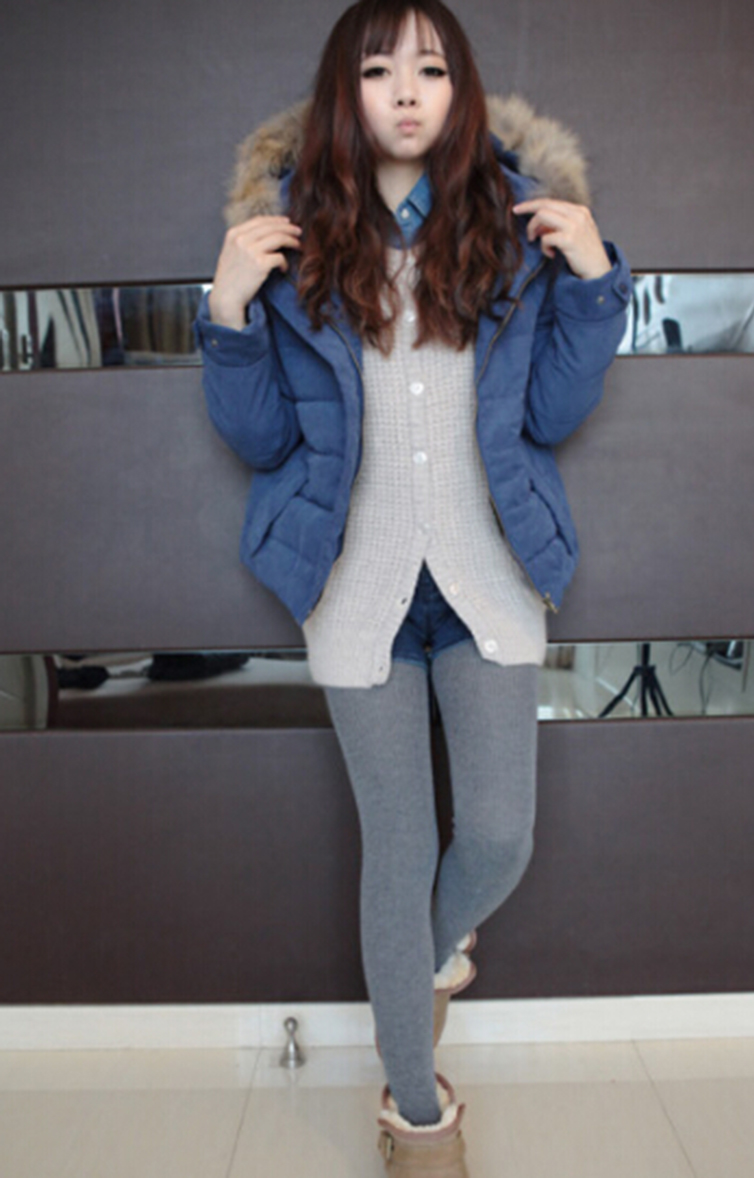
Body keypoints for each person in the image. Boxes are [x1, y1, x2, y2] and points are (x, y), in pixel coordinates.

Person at [195, 1, 630, 1172]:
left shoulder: (510, 227)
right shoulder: (289, 235)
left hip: (487, 570)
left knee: (494, 835)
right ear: (344, 91)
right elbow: (260, 437)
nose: (404, 90)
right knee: (394, 850)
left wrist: (594, 279)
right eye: (378, 68)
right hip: (354, 583)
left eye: (429, 68)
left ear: (459, 91)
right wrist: (226, 309)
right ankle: (416, 1114)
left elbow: (551, 412)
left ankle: (424, 956)